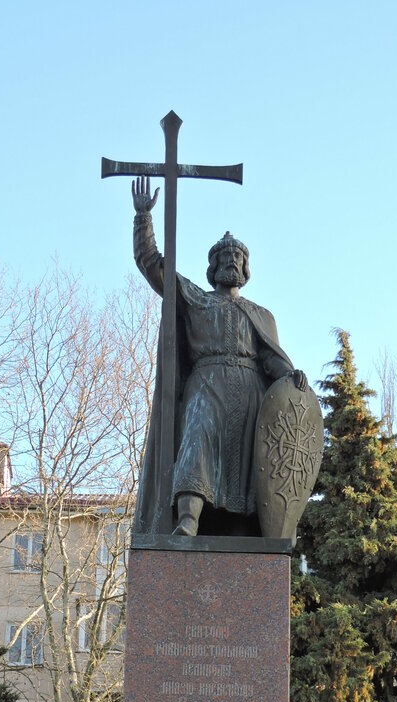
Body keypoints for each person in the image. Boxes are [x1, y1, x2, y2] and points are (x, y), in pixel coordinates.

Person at [132, 176, 307, 537]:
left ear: (245, 268)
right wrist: (143, 219)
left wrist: (291, 378)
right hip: (206, 386)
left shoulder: (262, 315)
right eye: (224, 256)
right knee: (198, 437)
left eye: (237, 257)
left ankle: (248, 532)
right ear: (212, 268)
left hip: (250, 395)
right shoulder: (196, 298)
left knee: (251, 468)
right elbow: (153, 264)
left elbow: (273, 361)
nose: (231, 261)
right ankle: (188, 520)